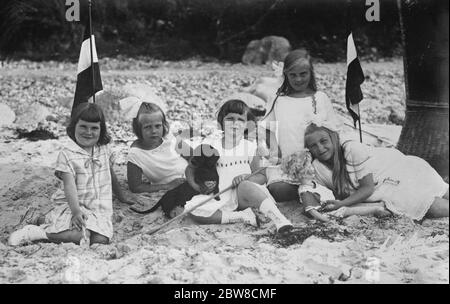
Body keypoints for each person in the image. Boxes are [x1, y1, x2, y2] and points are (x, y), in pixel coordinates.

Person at [9, 103, 132, 246]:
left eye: (94, 128)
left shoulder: (104, 149)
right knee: (80, 234)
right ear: (74, 127)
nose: (88, 132)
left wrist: (122, 196)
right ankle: (36, 232)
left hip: (99, 209)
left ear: (101, 130)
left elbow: (109, 173)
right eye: (83, 126)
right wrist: (76, 212)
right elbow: (69, 185)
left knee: (101, 240)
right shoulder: (67, 154)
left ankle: (40, 218)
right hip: (73, 205)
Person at [184, 99, 293, 233]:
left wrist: (247, 177)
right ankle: (240, 216)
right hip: (222, 195)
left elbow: (261, 175)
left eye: (240, 120)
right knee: (193, 209)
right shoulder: (211, 144)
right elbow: (190, 169)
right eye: (230, 119)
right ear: (221, 123)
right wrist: (197, 186)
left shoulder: (249, 146)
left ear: (247, 124)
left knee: (245, 185)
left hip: (245, 196)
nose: (235, 124)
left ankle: (279, 219)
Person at [304, 122, 449, 221]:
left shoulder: (351, 149)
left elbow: (367, 188)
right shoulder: (318, 167)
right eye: (313, 146)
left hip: (398, 170)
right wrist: (312, 209)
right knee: (429, 206)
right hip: (383, 188)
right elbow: (306, 187)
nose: (320, 148)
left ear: (333, 138)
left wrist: (342, 204)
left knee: (432, 197)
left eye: (323, 141)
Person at [261, 49, 342, 202]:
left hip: (318, 161)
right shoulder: (277, 100)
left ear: (311, 73)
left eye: (303, 74)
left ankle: (314, 188)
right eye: (293, 75)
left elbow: (333, 132)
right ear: (286, 75)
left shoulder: (320, 98)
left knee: (335, 181)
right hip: (288, 163)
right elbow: (267, 128)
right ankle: (308, 191)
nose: (298, 79)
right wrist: (274, 149)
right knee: (278, 191)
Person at [282, 150, 391, 222]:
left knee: (346, 205)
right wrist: (327, 221)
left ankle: (376, 206)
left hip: (331, 206)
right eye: (309, 165)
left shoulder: (313, 184)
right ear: (302, 172)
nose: (312, 167)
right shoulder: (305, 191)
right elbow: (312, 211)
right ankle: (375, 210)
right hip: (327, 214)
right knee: (346, 210)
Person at [127, 102, 188, 194]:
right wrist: (167, 186)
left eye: (158, 126)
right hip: (171, 187)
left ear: (163, 125)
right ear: (138, 129)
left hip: (192, 175)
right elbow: (135, 187)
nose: (154, 131)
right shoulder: (136, 154)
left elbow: (193, 155)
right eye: (147, 127)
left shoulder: (170, 138)